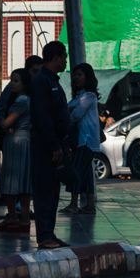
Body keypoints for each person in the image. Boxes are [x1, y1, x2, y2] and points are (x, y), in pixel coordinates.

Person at [28, 41, 71, 250]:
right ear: (55, 57)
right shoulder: (42, 82)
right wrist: (53, 145)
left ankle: (50, 233)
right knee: (44, 190)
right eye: (64, 56)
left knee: (53, 191)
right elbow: (43, 117)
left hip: (57, 143)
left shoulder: (53, 81)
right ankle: (44, 235)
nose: (66, 60)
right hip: (45, 146)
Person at [0, 66, 35, 234]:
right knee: (24, 180)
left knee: (11, 180)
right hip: (25, 140)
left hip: (16, 141)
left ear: (24, 83)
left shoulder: (21, 100)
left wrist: (3, 124)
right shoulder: (27, 99)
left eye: (16, 81)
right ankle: (24, 218)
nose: (12, 84)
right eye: (11, 80)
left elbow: (6, 123)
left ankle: (12, 216)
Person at [65, 64, 104, 215]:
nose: (76, 77)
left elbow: (76, 114)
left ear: (87, 77)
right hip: (85, 140)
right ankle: (90, 205)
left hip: (85, 140)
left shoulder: (89, 96)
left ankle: (74, 204)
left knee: (76, 171)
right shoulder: (79, 97)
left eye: (80, 75)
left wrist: (66, 116)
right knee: (87, 173)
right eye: (75, 75)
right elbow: (70, 107)